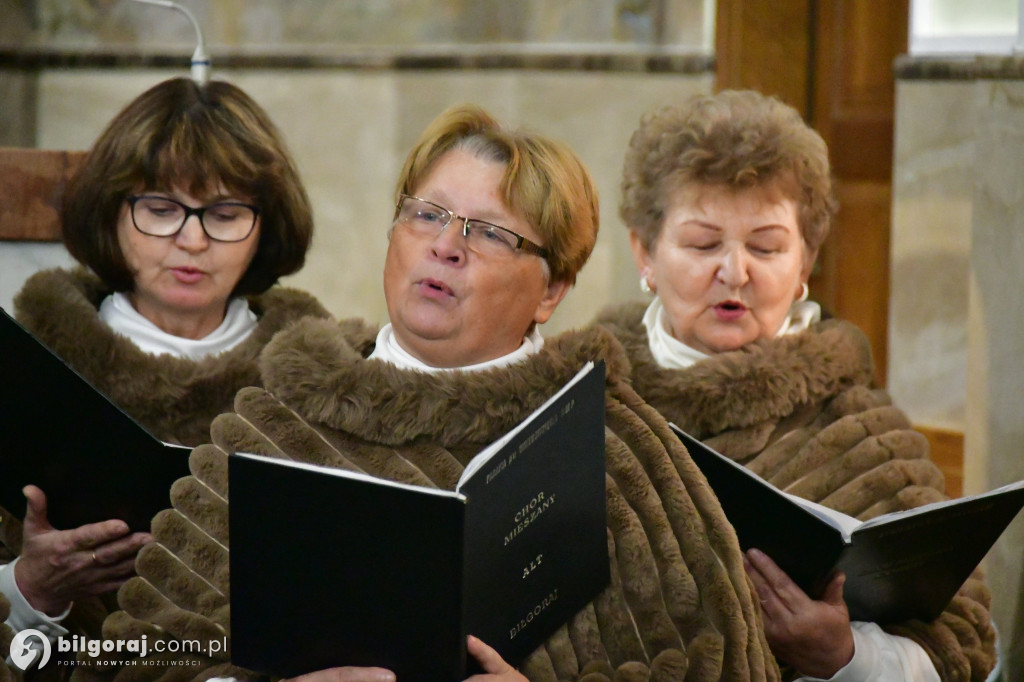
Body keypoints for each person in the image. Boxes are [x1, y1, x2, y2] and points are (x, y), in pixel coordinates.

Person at [94, 104, 781, 681]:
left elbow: (722, 664)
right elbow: (141, 654)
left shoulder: (615, 448)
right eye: (427, 215)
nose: (445, 247)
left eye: (488, 233)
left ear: (551, 292)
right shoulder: (278, 421)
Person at [593, 89, 997, 681]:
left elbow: (967, 646)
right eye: (704, 243)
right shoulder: (588, 402)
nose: (735, 271)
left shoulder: (863, 434)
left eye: (766, 246)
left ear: (805, 263)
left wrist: (845, 659)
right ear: (644, 252)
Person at [1, 76, 331, 672]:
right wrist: (32, 587)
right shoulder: (27, 363)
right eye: (160, 209)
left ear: (266, 225)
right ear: (111, 212)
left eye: (225, 214)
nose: (193, 240)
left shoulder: (319, 381)